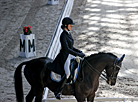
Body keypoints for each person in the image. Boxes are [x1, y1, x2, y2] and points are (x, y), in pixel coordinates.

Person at [49, 17, 85, 100]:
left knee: (80, 63)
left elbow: (71, 47)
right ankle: (58, 91)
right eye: (70, 25)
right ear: (65, 25)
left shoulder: (68, 33)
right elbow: (66, 49)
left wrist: (79, 51)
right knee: (68, 73)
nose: (71, 26)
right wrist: (77, 54)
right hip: (65, 56)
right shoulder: (63, 35)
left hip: (70, 54)